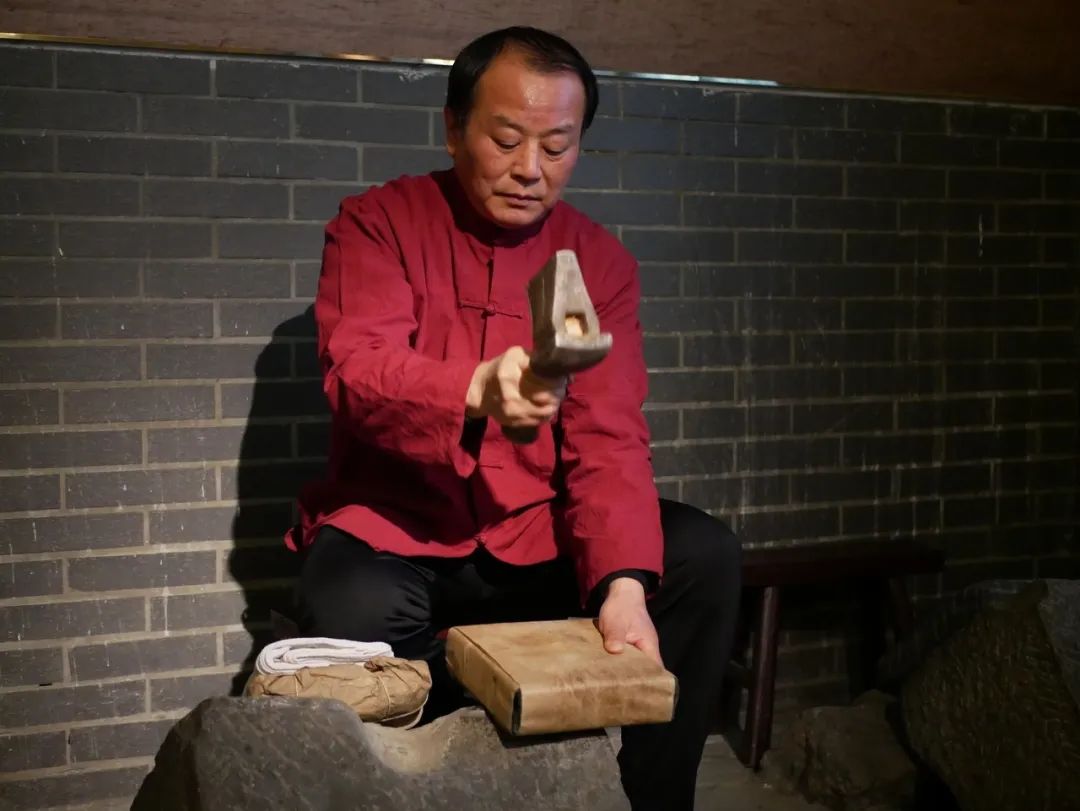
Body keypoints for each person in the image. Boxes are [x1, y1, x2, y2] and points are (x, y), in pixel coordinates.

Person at [286, 25, 742, 810]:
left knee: (700, 554)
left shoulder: (597, 261)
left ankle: (651, 799)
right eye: (506, 140)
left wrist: (624, 583)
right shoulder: (379, 223)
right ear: (453, 127)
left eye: (557, 146)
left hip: (536, 530)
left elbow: (609, 436)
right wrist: (474, 389)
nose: (530, 168)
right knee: (349, 599)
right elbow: (357, 373)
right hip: (403, 529)